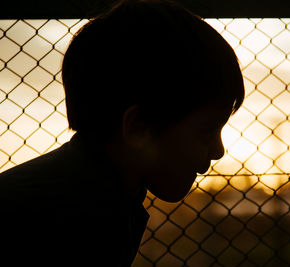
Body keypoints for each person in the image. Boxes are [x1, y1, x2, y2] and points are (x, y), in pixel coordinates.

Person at [0, 0, 244, 266]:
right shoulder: (74, 221)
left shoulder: (100, 193)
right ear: (139, 128)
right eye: (206, 131)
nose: (218, 150)